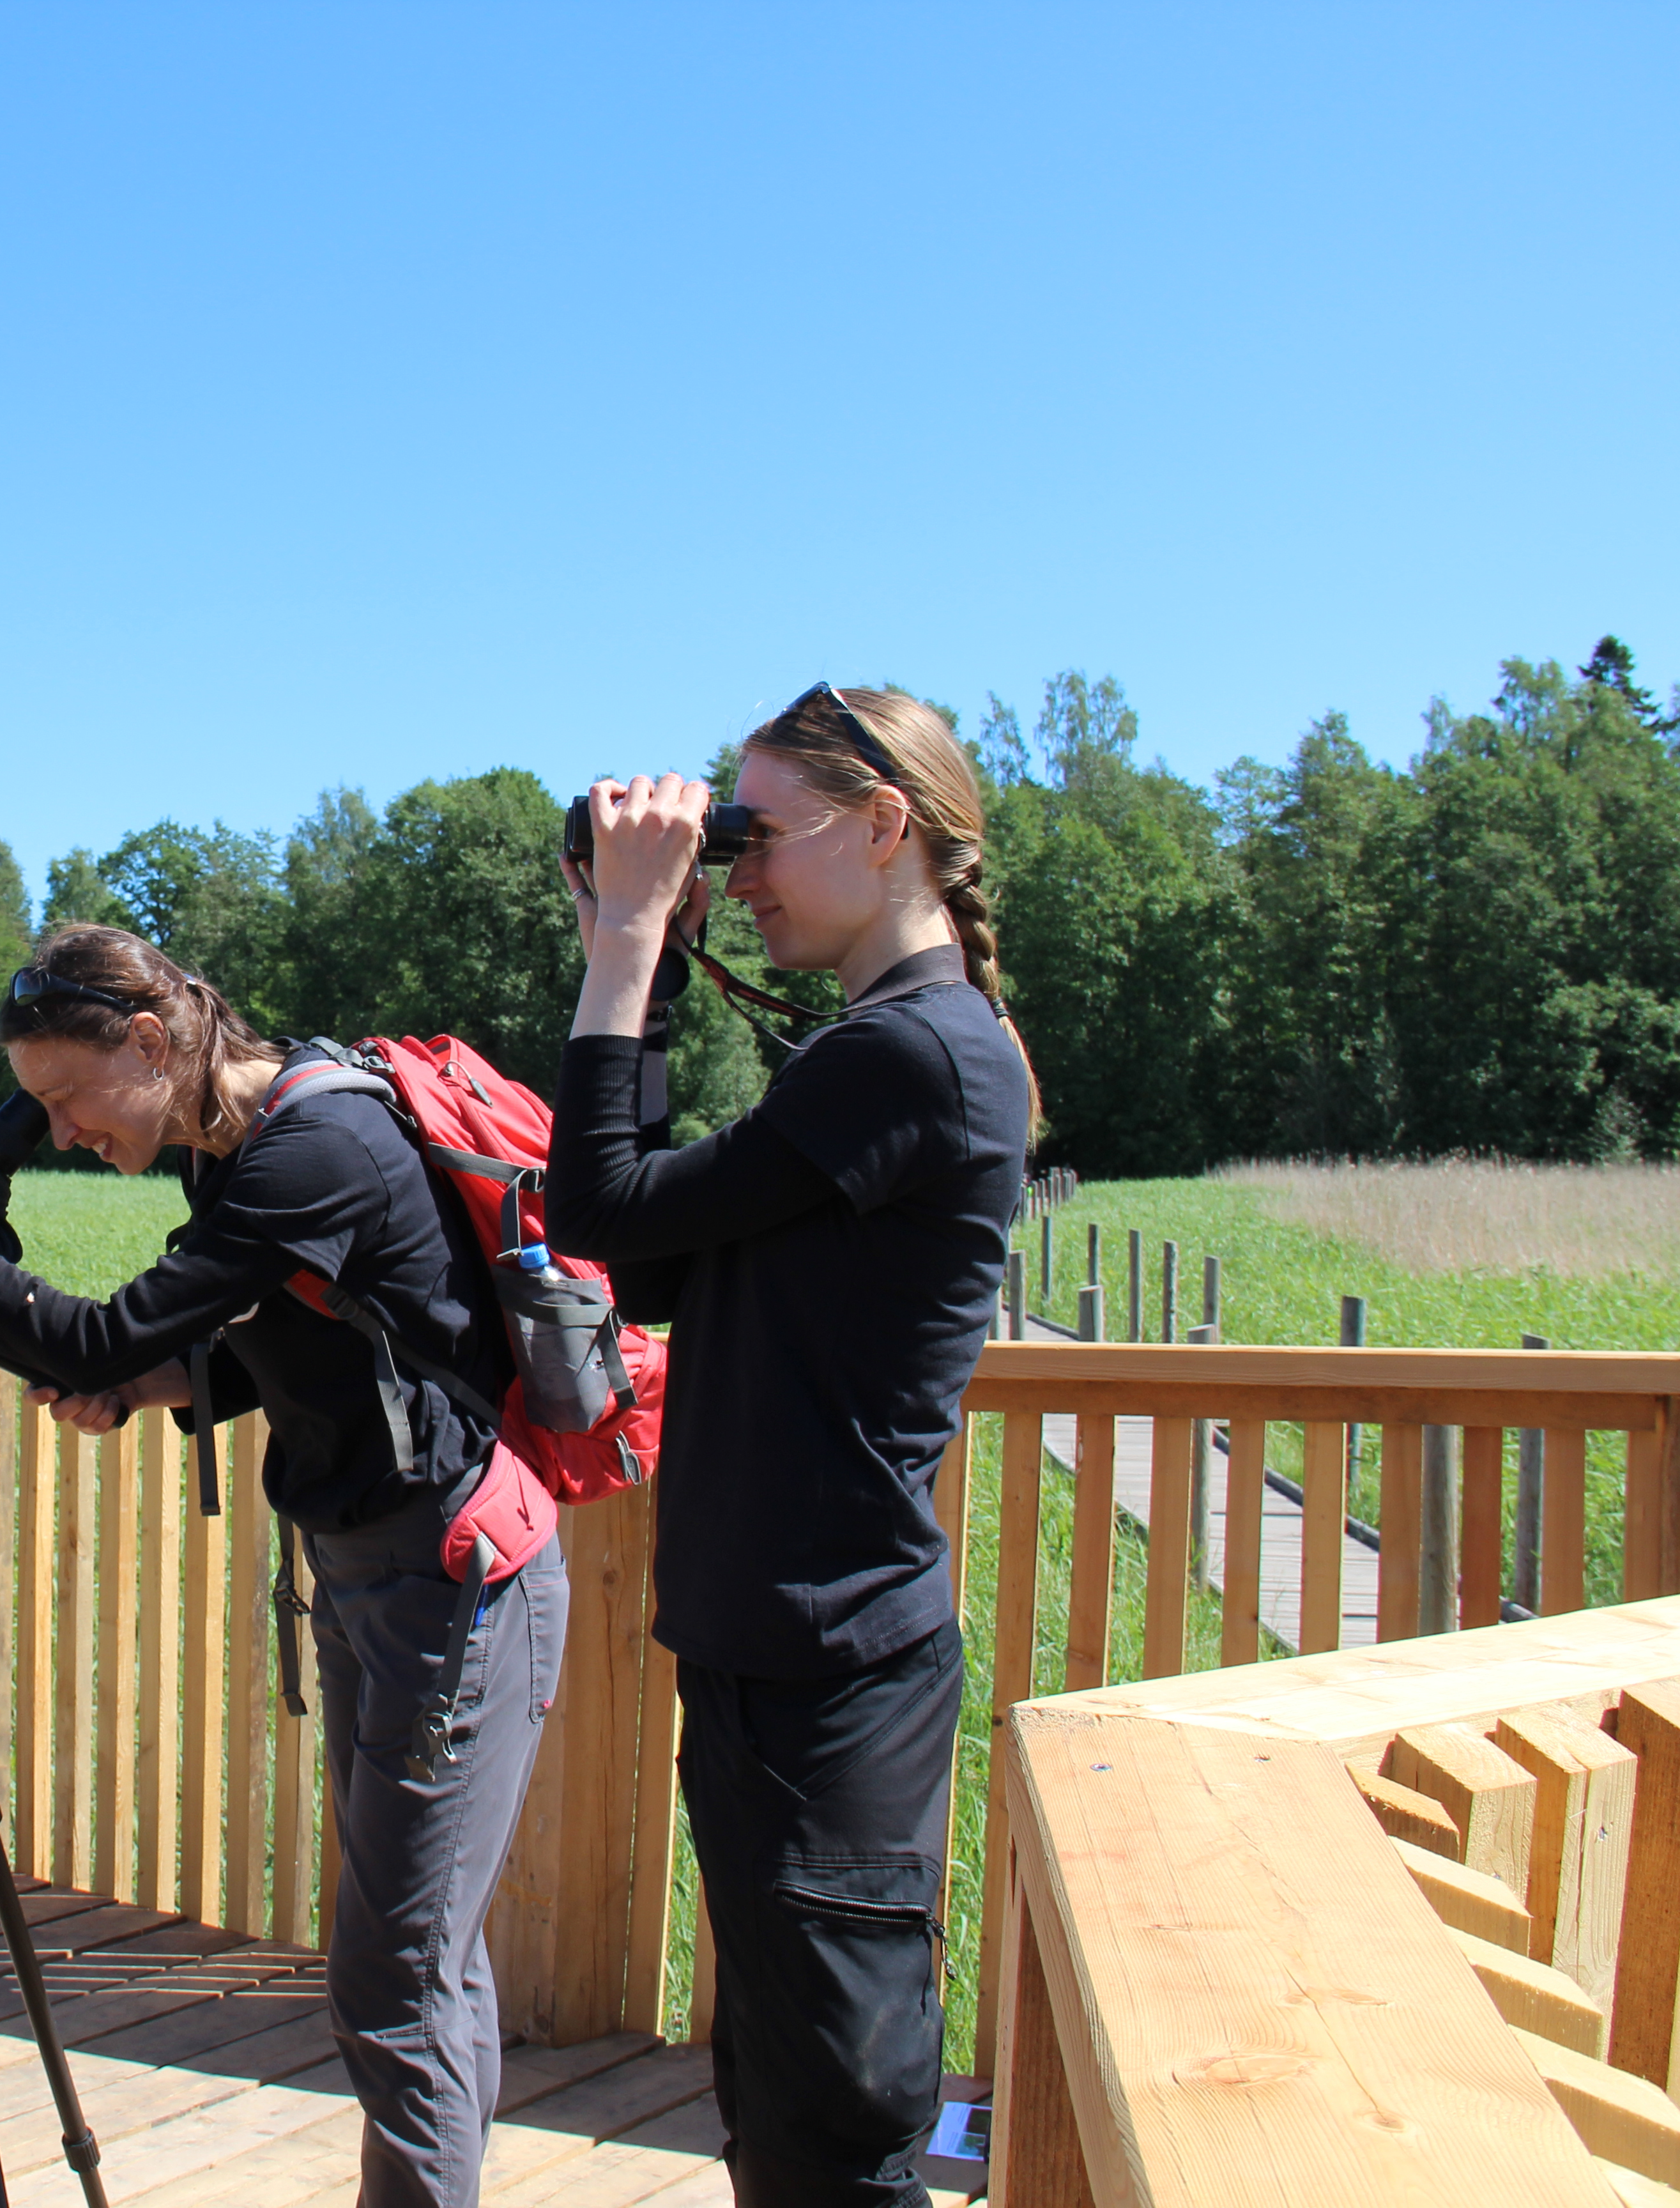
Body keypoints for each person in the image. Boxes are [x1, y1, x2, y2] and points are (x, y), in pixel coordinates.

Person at [0, 923, 567, 2208]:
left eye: (67, 1100)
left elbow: (92, 1333)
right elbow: (281, 1346)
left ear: (152, 1043)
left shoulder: (315, 1146)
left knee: (393, 1972)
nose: (67, 1132)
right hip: (372, 1572)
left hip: (460, 1582)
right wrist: (147, 1384)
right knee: (427, 1960)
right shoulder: (236, 1153)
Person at [547, 684, 1032, 2208]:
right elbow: (654, 1263)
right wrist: (660, 969)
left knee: (833, 2123)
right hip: (783, 1653)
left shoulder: (915, 1054)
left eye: (756, 836)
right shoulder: (875, 1053)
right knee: (778, 2094)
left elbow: (598, 1215)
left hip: (828, 1665)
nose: (735, 872)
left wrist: (627, 945)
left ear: (885, 826)